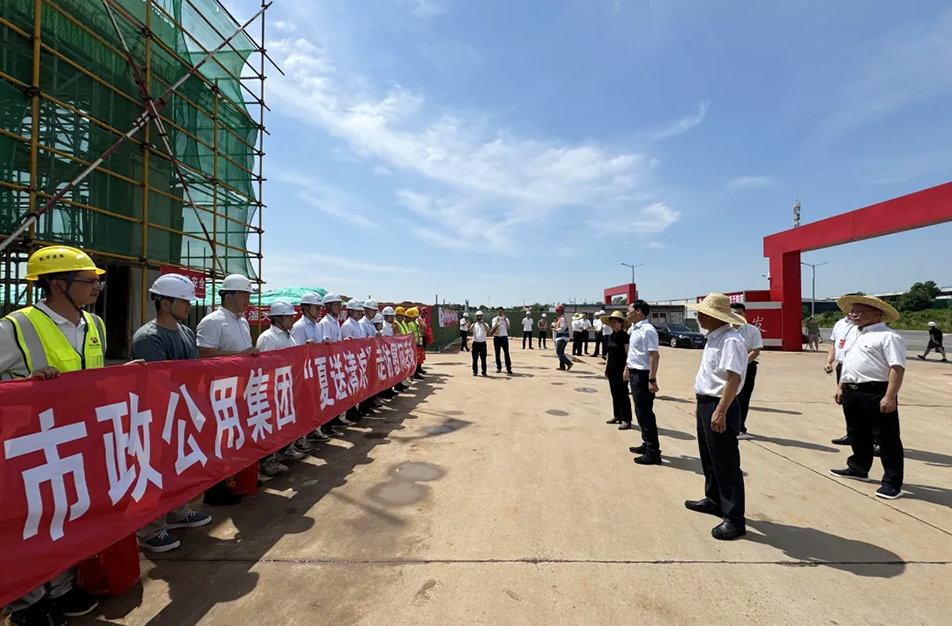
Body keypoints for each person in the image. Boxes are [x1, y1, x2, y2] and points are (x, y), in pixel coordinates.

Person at [0, 246, 106, 624]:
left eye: (98, 281)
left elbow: (95, 377)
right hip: (30, 445)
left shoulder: (94, 324)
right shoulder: (16, 326)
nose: (97, 287)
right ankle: (26, 602)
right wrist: (27, 385)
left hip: (78, 440)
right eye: (89, 281)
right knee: (30, 523)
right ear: (58, 284)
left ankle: (60, 587)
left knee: (68, 515)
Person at [131, 274, 213, 553]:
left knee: (179, 464)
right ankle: (150, 529)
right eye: (184, 301)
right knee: (154, 469)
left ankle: (178, 510)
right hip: (158, 415)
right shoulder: (148, 338)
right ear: (165, 304)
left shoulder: (185, 331)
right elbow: (158, 383)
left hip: (183, 411)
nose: (189, 305)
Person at [683, 293, 749, 541]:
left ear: (713, 316)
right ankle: (714, 500)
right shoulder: (714, 338)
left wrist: (720, 409)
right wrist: (702, 406)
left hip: (720, 403)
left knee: (726, 462)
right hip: (707, 403)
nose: (698, 317)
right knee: (709, 458)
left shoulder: (730, 340)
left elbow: (733, 378)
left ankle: (734, 518)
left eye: (701, 313)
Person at [829, 295, 907, 500]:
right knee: (857, 432)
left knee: (886, 438)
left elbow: (896, 368)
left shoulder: (888, 337)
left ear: (876, 313)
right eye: (851, 311)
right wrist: (841, 386)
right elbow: (848, 362)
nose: (853, 315)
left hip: (876, 390)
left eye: (858, 312)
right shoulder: (855, 333)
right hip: (851, 390)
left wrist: (890, 396)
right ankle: (858, 468)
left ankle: (892, 483)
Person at [196, 274, 258, 506]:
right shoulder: (212, 321)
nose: (247, 300)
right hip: (219, 390)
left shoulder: (242, 322)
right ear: (229, 296)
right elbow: (204, 354)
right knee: (219, 439)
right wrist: (240, 356)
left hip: (240, 388)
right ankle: (215, 488)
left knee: (236, 435)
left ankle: (237, 479)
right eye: (244, 295)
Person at [256, 300, 310, 475]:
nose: (292, 319)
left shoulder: (289, 336)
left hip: (287, 386)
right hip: (273, 388)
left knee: (285, 420)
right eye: (288, 317)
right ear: (277, 318)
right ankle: (267, 460)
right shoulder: (268, 338)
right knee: (271, 423)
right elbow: (265, 366)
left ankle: (285, 449)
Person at [624, 300, 662, 463]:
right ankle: (646, 444)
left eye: (629, 309)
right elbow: (633, 352)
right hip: (634, 372)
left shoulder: (648, 330)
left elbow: (654, 355)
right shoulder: (634, 329)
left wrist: (651, 379)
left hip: (643, 375)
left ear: (638, 311)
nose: (627, 312)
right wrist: (627, 369)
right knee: (640, 412)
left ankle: (653, 452)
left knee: (645, 414)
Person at [317, 293, 349, 436]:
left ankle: (335, 419)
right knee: (329, 394)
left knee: (336, 392)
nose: (339, 307)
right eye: (336, 305)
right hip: (329, 363)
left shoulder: (335, 321)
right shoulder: (325, 323)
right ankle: (326, 425)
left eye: (340, 304)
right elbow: (326, 342)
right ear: (329, 306)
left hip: (336, 362)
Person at [730, 302, 763, 441]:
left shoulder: (752, 330)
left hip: (747, 367)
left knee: (743, 398)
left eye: (740, 313)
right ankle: (728, 425)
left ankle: (740, 428)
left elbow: (756, 351)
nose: (737, 316)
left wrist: (742, 365)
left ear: (745, 314)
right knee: (728, 396)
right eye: (734, 314)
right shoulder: (725, 330)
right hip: (728, 367)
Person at [824, 314, 859, 445]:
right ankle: (851, 434)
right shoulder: (839, 324)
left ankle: (876, 440)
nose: (852, 312)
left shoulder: (861, 326)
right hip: (842, 365)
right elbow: (834, 345)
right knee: (846, 402)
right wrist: (829, 362)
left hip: (856, 366)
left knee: (862, 403)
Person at [601, 310, 632, 433]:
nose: (613, 324)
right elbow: (609, 353)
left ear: (621, 323)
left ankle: (626, 419)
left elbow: (629, 354)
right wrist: (606, 367)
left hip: (621, 369)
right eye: (611, 322)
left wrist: (627, 369)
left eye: (615, 322)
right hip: (612, 369)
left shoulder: (625, 337)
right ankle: (616, 415)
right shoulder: (611, 336)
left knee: (623, 394)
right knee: (614, 393)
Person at [405, 307, 426, 379]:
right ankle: (414, 373)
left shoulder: (416, 322)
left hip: (418, 342)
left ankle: (416, 372)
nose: (415, 318)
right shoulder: (410, 323)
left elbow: (420, 331)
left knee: (418, 359)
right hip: (413, 344)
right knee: (414, 360)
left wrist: (421, 327)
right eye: (414, 317)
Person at [491, 307, 512, 374]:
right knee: (497, 353)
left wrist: (505, 321)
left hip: (504, 337)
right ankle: (498, 367)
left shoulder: (506, 319)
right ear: (497, 312)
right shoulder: (494, 319)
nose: (500, 313)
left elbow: (508, 328)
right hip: (497, 337)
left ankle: (508, 368)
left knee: (506, 353)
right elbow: (493, 328)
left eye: (501, 311)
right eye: (499, 311)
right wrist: (497, 321)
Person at [470, 310, 490, 376]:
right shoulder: (474, 324)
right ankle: (475, 371)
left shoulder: (485, 324)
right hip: (475, 343)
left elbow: (488, 330)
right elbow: (470, 330)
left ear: (482, 317)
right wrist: (474, 323)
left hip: (482, 343)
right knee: (475, 358)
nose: (479, 318)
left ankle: (484, 371)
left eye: (480, 316)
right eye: (477, 316)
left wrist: (483, 323)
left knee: (483, 358)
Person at [553, 305, 573, 370]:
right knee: (561, 352)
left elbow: (562, 328)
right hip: (561, 337)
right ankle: (562, 366)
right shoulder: (560, 319)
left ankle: (568, 363)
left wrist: (556, 330)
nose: (556, 312)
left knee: (558, 352)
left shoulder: (562, 319)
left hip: (562, 338)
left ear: (561, 311)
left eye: (557, 311)